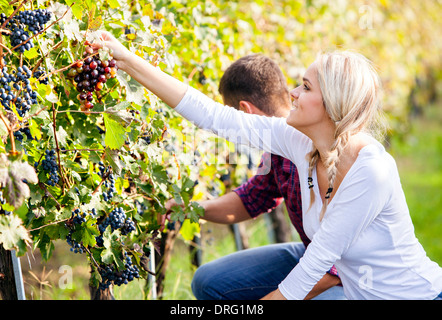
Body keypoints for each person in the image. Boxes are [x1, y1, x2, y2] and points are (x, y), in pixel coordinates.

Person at [94, 31, 442, 300]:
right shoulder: (299, 142)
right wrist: (125, 59)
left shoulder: (371, 170)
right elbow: (212, 115)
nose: (291, 93)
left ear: (332, 105)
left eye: (304, 87)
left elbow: (314, 268)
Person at [162, 54, 345, 300]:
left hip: (350, 277)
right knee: (208, 281)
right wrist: (193, 208)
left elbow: (333, 270)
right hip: (312, 254)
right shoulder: (278, 152)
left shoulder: (328, 153)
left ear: (244, 111)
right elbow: (251, 199)